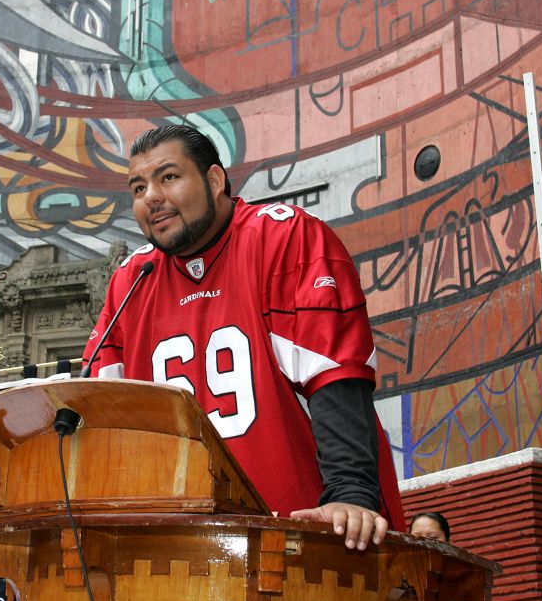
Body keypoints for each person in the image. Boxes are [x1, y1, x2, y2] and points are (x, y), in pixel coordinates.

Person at [82, 124, 404, 550]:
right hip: (180, 551)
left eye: (168, 177)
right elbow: (98, 412)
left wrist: (349, 495)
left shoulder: (283, 238)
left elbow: (334, 374)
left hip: (303, 535)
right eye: (137, 187)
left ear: (214, 181)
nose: (151, 197)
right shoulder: (131, 281)